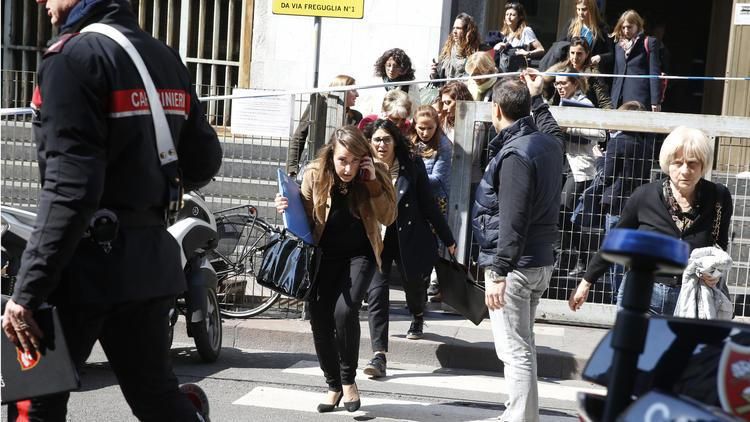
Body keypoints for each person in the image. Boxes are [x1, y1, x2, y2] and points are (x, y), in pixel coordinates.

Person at [1, 0, 223, 420]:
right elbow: (204, 161)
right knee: (157, 399)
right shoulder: (162, 55)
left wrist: (27, 292)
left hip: (78, 269)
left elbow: (70, 189)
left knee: (33, 407)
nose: (42, 3)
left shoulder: (71, 58)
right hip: (147, 261)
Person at [275, 126, 396, 412]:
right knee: (319, 318)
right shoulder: (315, 173)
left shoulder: (375, 171)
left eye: (355, 161)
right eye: (343, 160)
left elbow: (389, 217)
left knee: (345, 310)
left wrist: (372, 184)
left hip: (361, 254)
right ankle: (333, 385)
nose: (348, 167)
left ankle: (348, 381)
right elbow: (301, 217)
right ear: (332, 155)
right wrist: (282, 206)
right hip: (323, 256)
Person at [472, 72, 564, 422]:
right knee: (523, 347)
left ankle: (518, 419)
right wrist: (539, 98)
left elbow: (513, 218)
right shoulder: (547, 144)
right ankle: (524, 415)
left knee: (514, 352)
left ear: (496, 110)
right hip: (538, 262)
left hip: (516, 266)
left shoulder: (515, 154)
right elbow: (553, 131)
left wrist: (498, 271)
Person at [569, 126, 733, 315]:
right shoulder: (644, 196)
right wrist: (586, 282)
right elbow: (615, 244)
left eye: (692, 163)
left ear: (703, 165)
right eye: (678, 163)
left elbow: (719, 244)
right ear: (668, 163)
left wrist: (715, 272)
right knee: (636, 344)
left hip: (691, 295)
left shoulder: (718, 197)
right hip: (643, 294)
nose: (685, 170)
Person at [362, 119, 456, 379]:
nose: (381, 145)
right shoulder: (362, 166)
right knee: (376, 294)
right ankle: (379, 355)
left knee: (414, 285)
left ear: (396, 142)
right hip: (376, 239)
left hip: (408, 235)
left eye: (387, 140)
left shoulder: (412, 166)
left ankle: (417, 312)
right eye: (377, 140)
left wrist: (448, 238)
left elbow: (428, 203)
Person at [597, 101, 654, 297]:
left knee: (614, 254)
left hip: (616, 204)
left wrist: (599, 158)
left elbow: (606, 176)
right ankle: (624, 296)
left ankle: (616, 298)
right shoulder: (645, 144)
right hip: (638, 205)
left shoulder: (617, 142)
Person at [554, 69, 607, 277]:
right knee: (562, 214)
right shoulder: (561, 102)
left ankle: (579, 258)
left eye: (564, 83)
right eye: (557, 83)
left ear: (575, 84)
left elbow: (600, 134)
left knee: (564, 212)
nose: (559, 87)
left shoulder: (584, 104)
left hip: (580, 168)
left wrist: (571, 129)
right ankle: (569, 257)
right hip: (563, 166)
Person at [411, 105, 454, 302]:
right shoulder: (411, 142)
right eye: (421, 128)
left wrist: (412, 178)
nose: (425, 132)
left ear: (437, 126)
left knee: (431, 246)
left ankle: (429, 285)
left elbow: (439, 178)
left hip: (435, 200)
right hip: (413, 200)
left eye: (429, 128)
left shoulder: (443, 145)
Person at [287, 74, 362, 177]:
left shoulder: (356, 117)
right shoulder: (317, 108)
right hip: (318, 169)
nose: (357, 95)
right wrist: (292, 167)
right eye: (353, 90)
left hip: (344, 170)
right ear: (341, 90)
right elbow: (299, 136)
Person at [609, 10, 664, 111]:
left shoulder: (649, 42)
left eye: (629, 27)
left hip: (639, 98)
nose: (626, 30)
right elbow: (616, 77)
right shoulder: (618, 46)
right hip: (619, 99)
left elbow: (654, 73)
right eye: (623, 27)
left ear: (638, 26)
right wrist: (612, 101)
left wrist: (655, 101)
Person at [543, 36, 612, 109]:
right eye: (572, 53)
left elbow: (604, 101)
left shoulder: (593, 74)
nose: (575, 57)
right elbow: (552, 96)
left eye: (579, 54)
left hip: (586, 112)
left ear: (587, 54)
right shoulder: (562, 69)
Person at [486, 2, 545, 72]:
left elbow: (541, 50)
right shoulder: (503, 34)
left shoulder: (526, 31)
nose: (509, 17)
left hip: (517, 75)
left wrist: (528, 53)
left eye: (513, 15)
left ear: (520, 17)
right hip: (503, 75)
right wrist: (495, 49)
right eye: (507, 14)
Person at [561, 0, 612, 72]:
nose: (580, 13)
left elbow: (611, 54)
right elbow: (560, 46)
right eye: (578, 9)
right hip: (571, 71)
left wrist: (600, 57)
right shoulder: (571, 25)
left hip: (590, 72)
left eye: (584, 9)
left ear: (592, 9)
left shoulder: (602, 29)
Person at [430, 12, 480, 85]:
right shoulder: (448, 50)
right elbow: (440, 82)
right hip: (447, 93)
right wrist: (434, 75)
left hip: (465, 93)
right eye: (454, 28)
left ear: (468, 31)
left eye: (458, 28)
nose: (454, 31)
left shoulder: (477, 52)